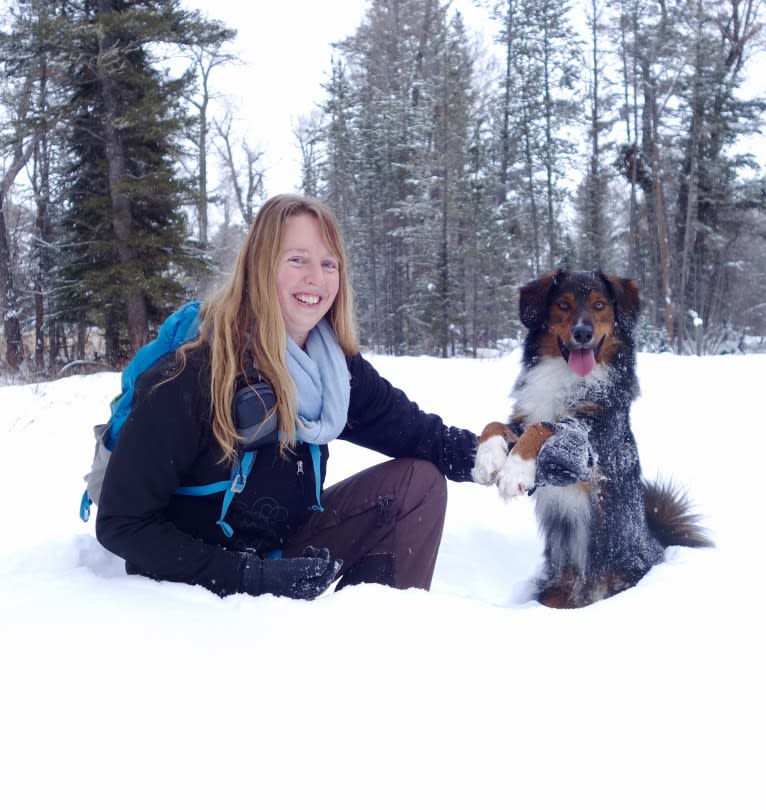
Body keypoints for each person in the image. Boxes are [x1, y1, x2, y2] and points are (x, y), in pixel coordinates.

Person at [95, 193, 482, 600]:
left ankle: (372, 636)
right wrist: (249, 577)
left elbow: (423, 437)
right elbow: (122, 523)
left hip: (280, 551)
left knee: (417, 485)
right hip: (199, 584)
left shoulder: (333, 371)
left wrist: (516, 457)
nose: (316, 276)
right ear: (261, 266)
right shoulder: (192, 374)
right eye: (298, 259)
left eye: (329, 263)